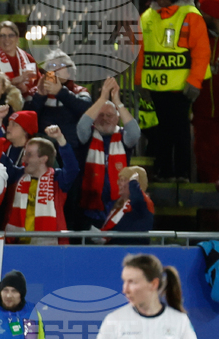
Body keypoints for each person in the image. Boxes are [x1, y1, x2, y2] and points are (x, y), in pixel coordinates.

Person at [137, 0, 211, 181]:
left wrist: (195, 81)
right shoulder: (147, 16)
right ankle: (164, 171)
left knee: (179, 130)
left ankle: (180, 173)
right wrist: (139, 81)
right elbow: (140, 51)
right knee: (161, 131)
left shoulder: (190, 14)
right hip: (156, 86)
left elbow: (201, 51)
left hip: (181, 87)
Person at [78, 78, 141, 230]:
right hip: (90, 210)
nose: (104, 119)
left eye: (109, 115)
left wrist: (117, 101)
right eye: (100, 115)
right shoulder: (88, 136)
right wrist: (102, 99)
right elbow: (82, 125)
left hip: (118, 208)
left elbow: (134, 132)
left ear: (117, 118)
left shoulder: (123, 136)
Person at [3, 128, 80, 244]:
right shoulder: (17, 176)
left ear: (43, 159)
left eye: (29, 154)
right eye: (24, 154)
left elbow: (73, 169)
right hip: (16, 244)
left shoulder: (58, 179)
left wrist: (61, 139)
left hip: (50, 247)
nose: (24, 159)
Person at [24, 50, 92, 151]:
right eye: (52, 65)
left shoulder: (79, 91)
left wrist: (61, 92)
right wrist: (40, 97)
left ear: (69, 72)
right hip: (43, 149)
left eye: (61, 65)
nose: (55, 69)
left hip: (73, 148)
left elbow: (87, 110)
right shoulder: (36, 91)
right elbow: (27, 119)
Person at [193, 0, 219, 183]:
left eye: (204, 11)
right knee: (206, 165)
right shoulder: (199, 36)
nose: (200, 14)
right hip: (204, 115)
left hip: (218, 113)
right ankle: (208, 212)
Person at [0, 20, 35, 96]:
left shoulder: (28, 59)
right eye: (2, 36)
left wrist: (27, 89)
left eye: (11, 35)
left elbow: (36, 84)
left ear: (17, 38)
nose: (7, 39)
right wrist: (14, 81)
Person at [101, 167, 155, 243]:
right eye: (119, 180)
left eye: (123, 180)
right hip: (115, 250)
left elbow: (137, 198)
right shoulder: (118, 205)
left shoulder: (143, 204)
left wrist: (133, 182)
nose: (118, 183)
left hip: (133, 251)